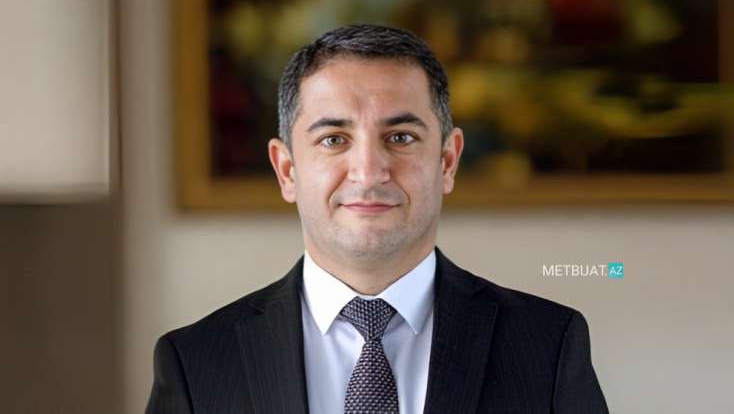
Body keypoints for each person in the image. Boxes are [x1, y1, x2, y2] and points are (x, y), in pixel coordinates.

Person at [146, 24, 608, 414]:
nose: (369, 171)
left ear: (447, 161)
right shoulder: (195, 363)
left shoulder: (548, 346)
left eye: (401, 137)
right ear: (287, 170)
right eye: (333, 139)